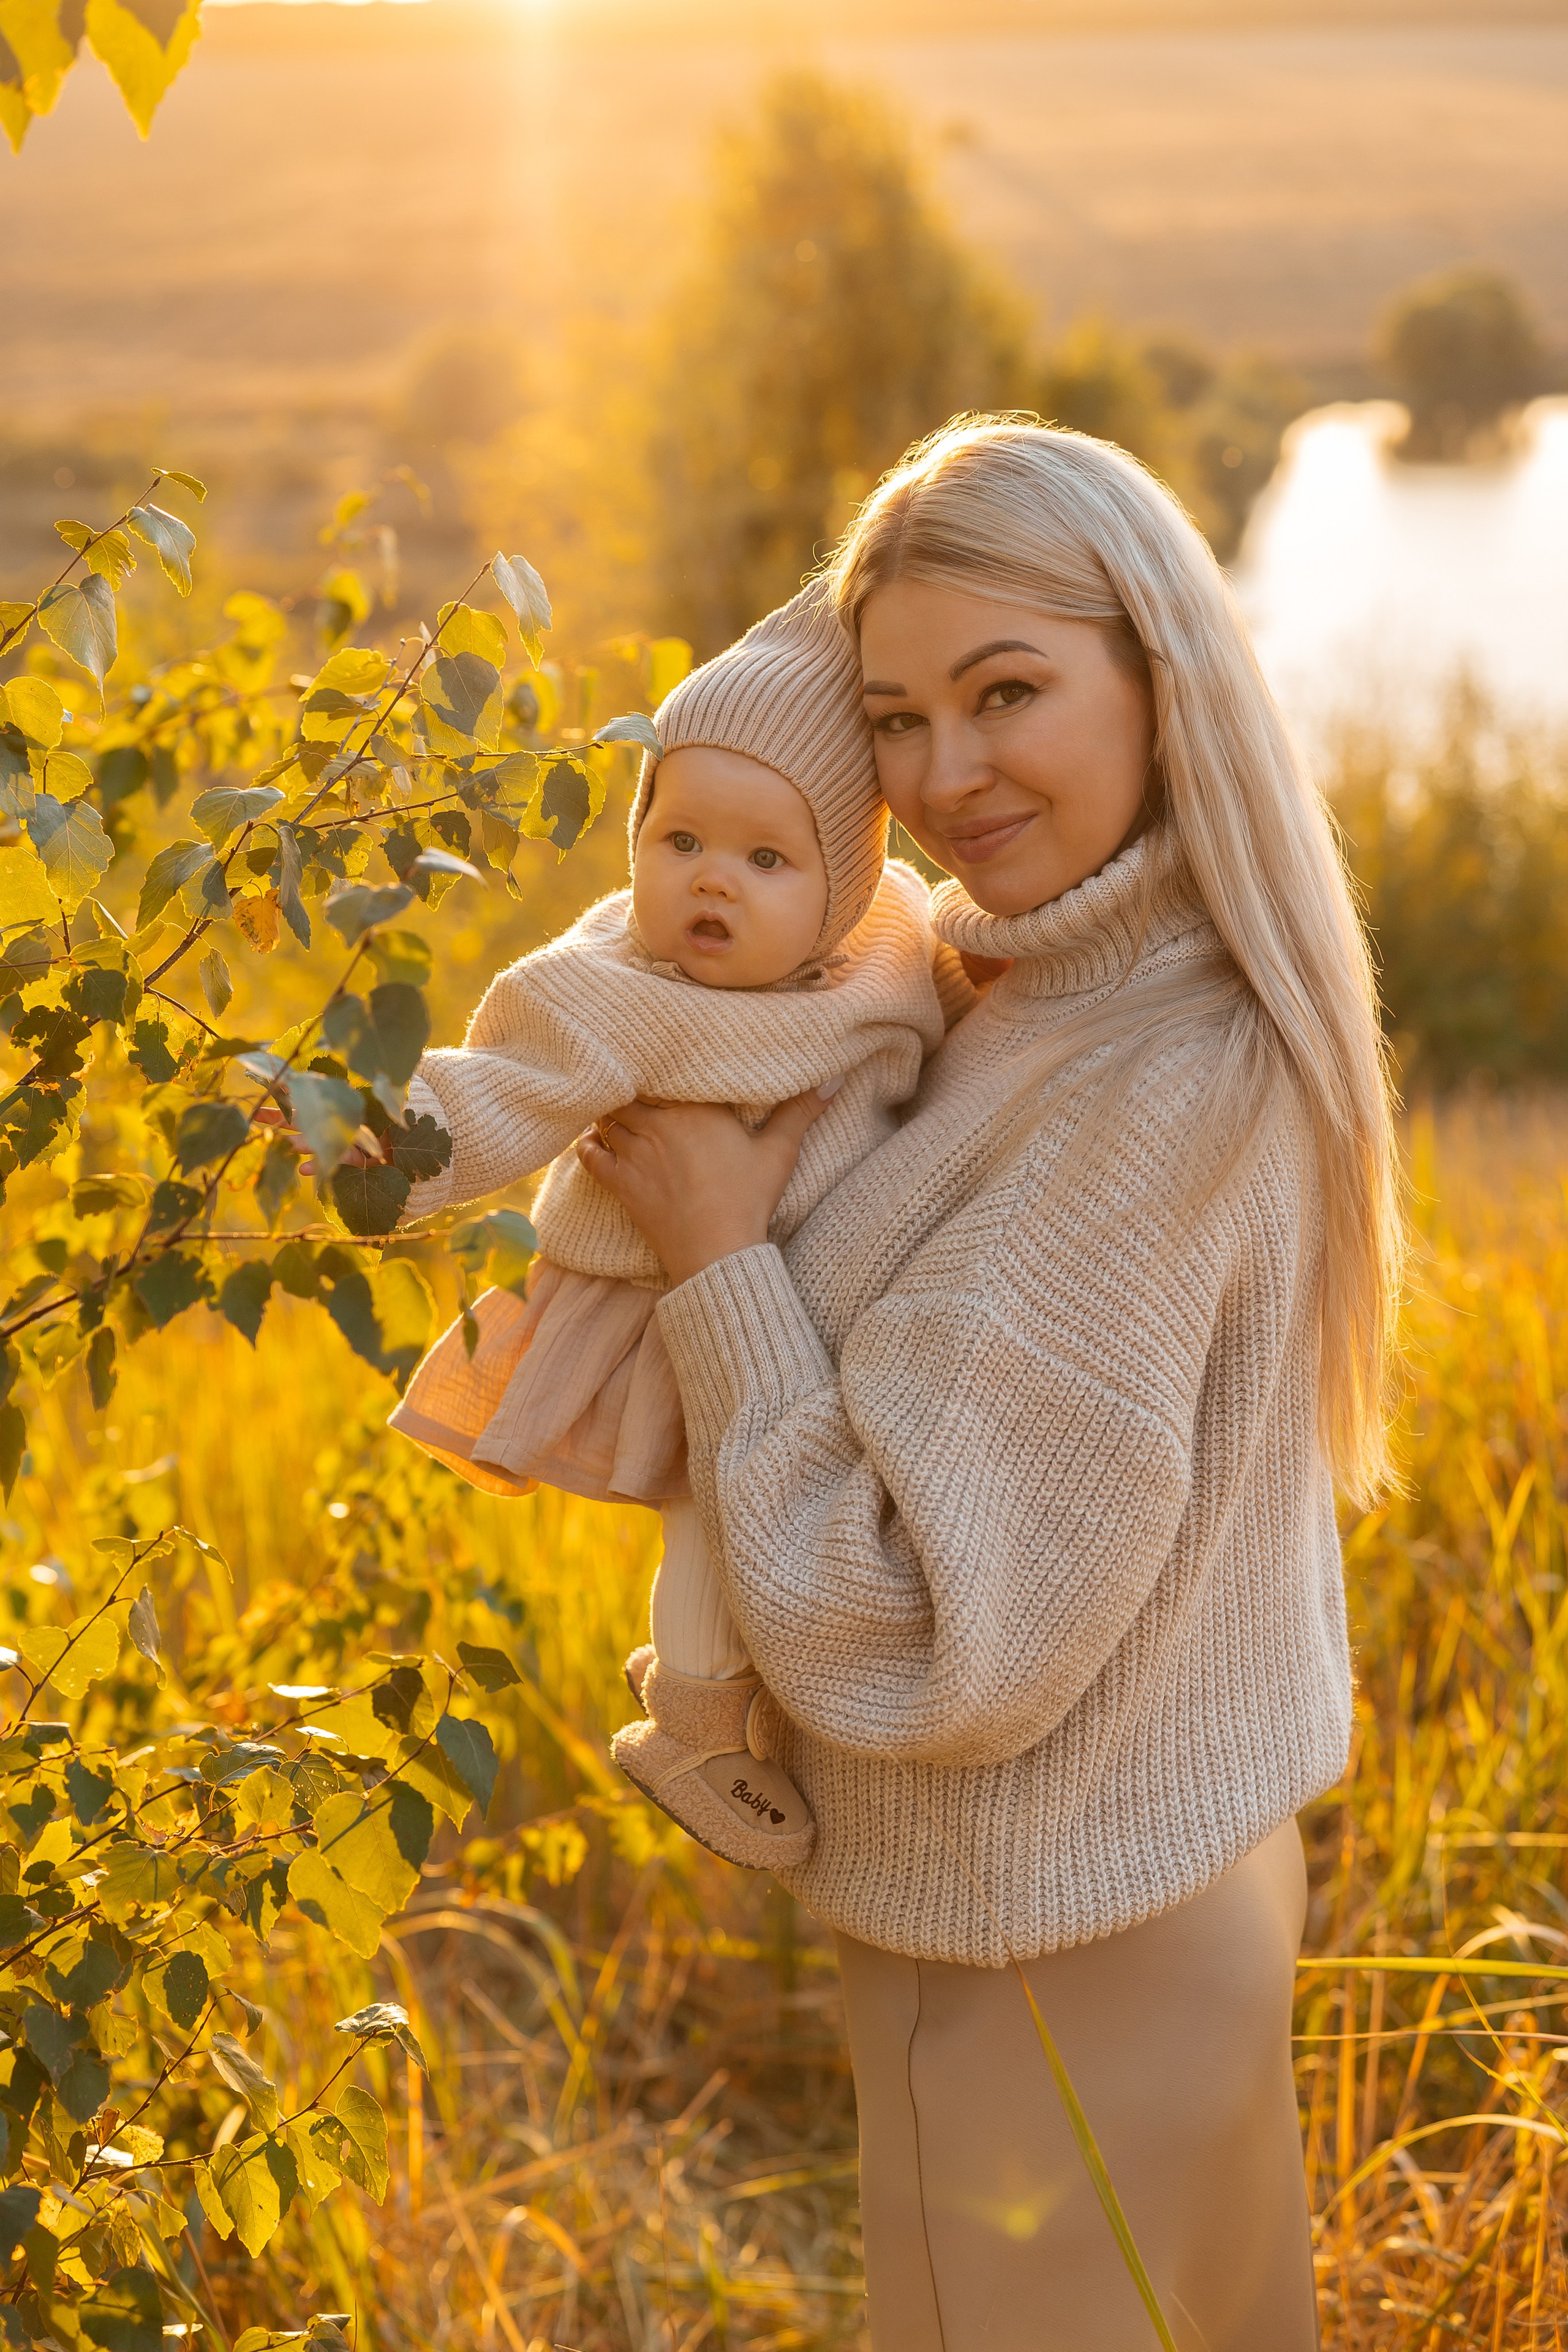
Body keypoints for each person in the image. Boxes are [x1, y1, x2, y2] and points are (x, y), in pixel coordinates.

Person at [574, 417, 1401, 2350]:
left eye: (1006, 691)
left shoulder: (1156, 1080)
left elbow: (925, 1643)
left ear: (1158, 669)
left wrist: (718, 1258)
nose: (946, 775)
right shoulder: (1030, 986)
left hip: (1050, 1959)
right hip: (1146, 1895)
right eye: (896, 718)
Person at [386, 587, 970, 1872]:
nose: (712, 878)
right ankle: (692, 1722)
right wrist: (365, 1138)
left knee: (811, 1510)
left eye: (767, 861)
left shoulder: (888, 935)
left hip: (827, 1305)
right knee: (718, 1504)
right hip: (675, 1305)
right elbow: (500, 1088)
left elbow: (962, 970)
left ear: (842, 883)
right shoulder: (620, 992)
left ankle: (756, 1697)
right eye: (681, 839)